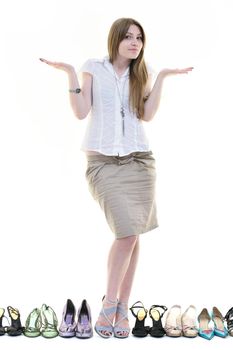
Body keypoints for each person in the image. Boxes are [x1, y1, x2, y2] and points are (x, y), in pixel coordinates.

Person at [40, 17, 193, 339]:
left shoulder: (143, 72)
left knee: (132, 234)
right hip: (102, 162)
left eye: (139, 37)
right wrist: (69, 73)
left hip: (139, 161)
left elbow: (147, 116)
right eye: (128, 37)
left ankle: (121, 309)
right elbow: (81, 112)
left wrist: (162, 77)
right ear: (115, 39)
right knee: (126, 232)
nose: (135, 42)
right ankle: (111, 303)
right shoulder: (93, 67)